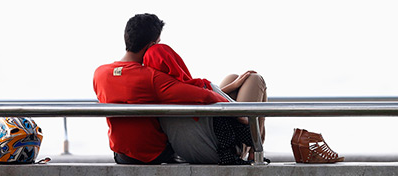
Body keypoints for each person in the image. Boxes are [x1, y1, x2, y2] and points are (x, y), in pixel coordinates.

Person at [93, 13, 228, 164]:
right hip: (154, 154)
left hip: (121, 155)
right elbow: (203, 96)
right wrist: (238, 112)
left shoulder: (100, 74)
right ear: (152, 47)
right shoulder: (151, 77)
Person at [143, 42, 268, 164]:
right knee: (255, 79)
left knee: (232, 77)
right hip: (222, 152)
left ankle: (255, 147)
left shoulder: (156, 93)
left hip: (186, 153)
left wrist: (232, 86)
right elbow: (242, 117)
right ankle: (256, 150)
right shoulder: (195, 89)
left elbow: (204, 98)